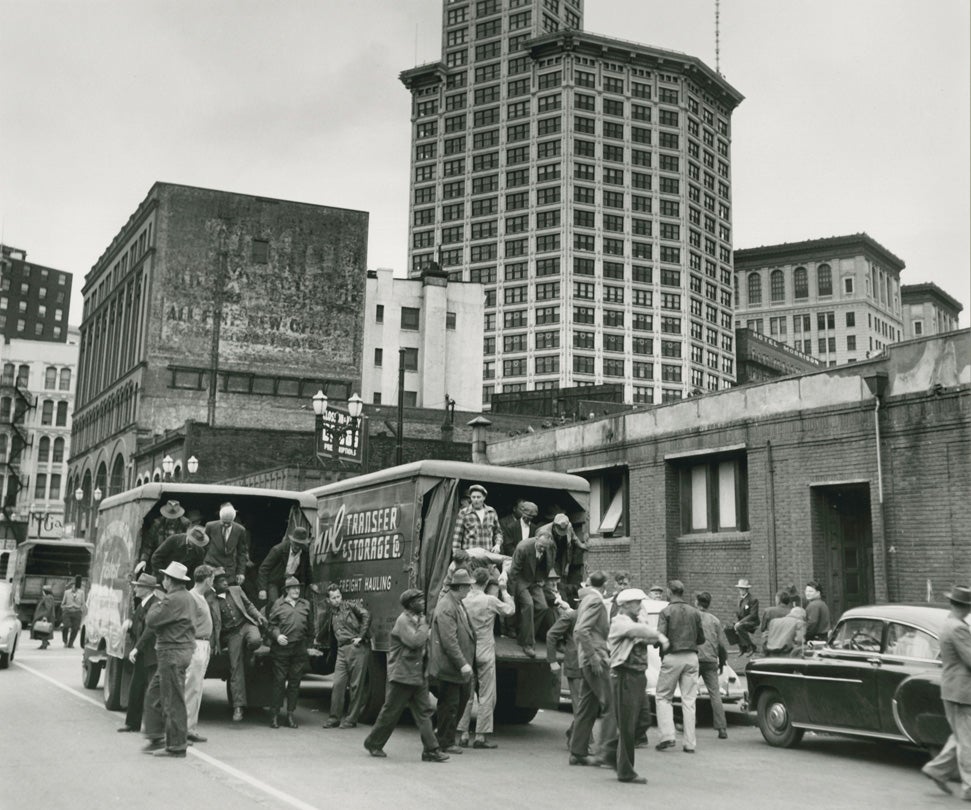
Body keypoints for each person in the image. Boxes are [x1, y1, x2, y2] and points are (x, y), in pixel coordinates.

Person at [364, 589, 449, 762]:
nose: (423, 602)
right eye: (419, 600)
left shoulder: (417, 619)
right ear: (410, 604)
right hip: (402, 675)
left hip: (417, 675)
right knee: (391, 712)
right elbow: (415, 641)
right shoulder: (403, 620)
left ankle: (431, 750)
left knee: (424, 712)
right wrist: (426, 625)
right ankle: (373, 743)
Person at [605, 588, 667, 784]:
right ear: (624, 605)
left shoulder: (637, 621)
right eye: (635, 603)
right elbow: (639, 633)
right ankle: (626, 770)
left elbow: (647, 637)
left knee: (643, 720)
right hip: (624, 676)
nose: (640, 606)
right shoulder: (619, 622)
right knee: (627, 725)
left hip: (638, 676)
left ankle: (611, 750)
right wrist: (659, 635)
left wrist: (649, 630)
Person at [142, 561, 196, 757]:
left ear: (170, 581)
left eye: (164, 577)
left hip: (171, 651)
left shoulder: (172, 599)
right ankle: (157, 735)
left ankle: (176, 745)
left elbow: (151, 620)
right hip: (179, 650)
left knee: (172, 700)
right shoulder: (186, 597)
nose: (163, 580)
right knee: (155, 693)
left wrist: (157, 602)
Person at [921, 585, 971, 799]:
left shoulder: (949, 624)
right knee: (968, 740)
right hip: (962, 691)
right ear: (966, 607)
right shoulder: (958, 628)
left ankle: (937, 769)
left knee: (961, 736)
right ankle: (969, 786)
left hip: (953, 689)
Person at [457, 568, 515, 748]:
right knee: (487, 693)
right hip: (485, 650)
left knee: (467, 693)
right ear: (487, 583)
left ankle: (464, 733)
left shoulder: (463, 601)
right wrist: (504, 591)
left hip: (467, 650)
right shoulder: (490, 600)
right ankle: (480, 736)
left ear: (472, 581)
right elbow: (510, 610)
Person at [429, 568, 475, 755]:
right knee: (451, 704)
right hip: (450, 667)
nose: (470, 589)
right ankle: (445, 741)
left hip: (455, 667)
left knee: (455, 702)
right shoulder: (447, 606)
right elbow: (449, 641)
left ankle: (437, 733)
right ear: (460, 587)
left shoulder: (456, 603)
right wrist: (463, 663)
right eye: (468, 586)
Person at [212, 567, 268, 722]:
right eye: (221, 580)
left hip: (245, 625)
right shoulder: (211, 599)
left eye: (225, 579)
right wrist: (211, 644)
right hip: (231, 634)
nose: (225, 582)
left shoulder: (236, 590)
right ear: (214, 584)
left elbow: (249, 605)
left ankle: (249, 653)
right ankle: (238, 707)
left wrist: (258, 616)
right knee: (235, 668)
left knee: (256, 640)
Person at [655, 579, 705, 754]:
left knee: (663, 696)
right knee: (689, 700)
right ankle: (690, 742)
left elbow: (659, 637)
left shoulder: (666, 611)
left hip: (672, 656)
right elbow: (701, 639)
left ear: (669, 592)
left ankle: (667, 736)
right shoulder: (694, 612)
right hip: (692, 656)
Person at [569, 571, 611, 767]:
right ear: (605, 585)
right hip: (594, 657)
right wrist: (593, 656)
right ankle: (607, 752)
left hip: (585, 658)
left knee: (587, 706)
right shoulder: (595, 601)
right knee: (609, 703)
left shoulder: (585, 600)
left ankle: (577, 752)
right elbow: (581, 630)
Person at [319, 584, 372, 729]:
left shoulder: (350, 606)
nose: (337, 600)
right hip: (342, 650)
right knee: (338, 684)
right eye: (333, 598)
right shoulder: (331, 613)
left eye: (338, 596)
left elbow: (366, 614)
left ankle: (351, 719)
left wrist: (360, 637)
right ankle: (334, 718)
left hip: (356, 647)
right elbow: (327, 630)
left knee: (356, 686)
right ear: (329, 600)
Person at [267, 576, 315, 729]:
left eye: (298, 587)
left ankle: (290, 715)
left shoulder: (305, 604)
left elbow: (311, 627)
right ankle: (274, 715)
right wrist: (277, 635)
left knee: (295, 683)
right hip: (282, 648)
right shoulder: (278, 604)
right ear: (286, 590)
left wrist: (309, 645)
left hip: (299, 648)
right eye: (293, 588)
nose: (296, 590)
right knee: (279, 682)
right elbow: (270, 625)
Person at [119, 574, 163, 733]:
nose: (135, 588)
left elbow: (149, 631)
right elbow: (138, 623)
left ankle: (154, 729)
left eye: (138, 586)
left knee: (153, 692)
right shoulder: (142, 604)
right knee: (136, 687)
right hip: (143, 654)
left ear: (147, 589)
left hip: (151, 654)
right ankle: (132, 723)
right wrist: (129, 622)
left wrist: (136, 648)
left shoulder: (156, 604)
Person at [508, 532, 557, 657]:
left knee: (543, 607)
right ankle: (527, 643)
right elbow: (514, 572)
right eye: (540, 546)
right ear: (536, 539)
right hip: (521, 579)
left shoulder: (550, 547)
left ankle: (525, 632)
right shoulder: (523, 547)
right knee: (529, 604)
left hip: (535, 579)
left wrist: (542, 579)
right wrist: (511, 594)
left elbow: (548, 564)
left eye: (544, 547)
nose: (542, 549)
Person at [185, 564, 216, 743]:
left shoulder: (201, 597)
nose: (213, 581)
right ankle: (183, 729)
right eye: (212, 578)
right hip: (195, 644)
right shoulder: (192, 597)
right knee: (190, 688)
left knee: (196, 689)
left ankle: (190, 728)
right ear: (207, 579)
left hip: (203, 644)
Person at [546, 592, 582, 747]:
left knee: (588, 705)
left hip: (590, 666)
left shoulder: (595, 616)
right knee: (580, 706)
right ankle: (583, 743)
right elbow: (551, 635)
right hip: (575, 665)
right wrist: (552, 660)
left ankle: (574, 733)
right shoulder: (572, 616)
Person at [695, 591, 730, 739]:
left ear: (697, 602)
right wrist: (722, 662)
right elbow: (721, 645)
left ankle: (688, 722)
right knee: (715, 694)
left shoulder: (693, 617)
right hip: (711, 659)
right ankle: (721, 728)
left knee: (689, 692)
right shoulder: (715, 620)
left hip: (695, 658)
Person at [537, 513, 587, 599]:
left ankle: (562, 599)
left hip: (561, 557)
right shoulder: (542, 531)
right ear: (554, 525)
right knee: (550, 582)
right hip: (547, 559)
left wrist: (581, 545)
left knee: (561, 581)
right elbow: (538, 551)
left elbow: (574, 537)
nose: (561, 534)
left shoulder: (569, 526)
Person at [258, 526, 312, 604]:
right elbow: (263, 569)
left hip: (291, 581)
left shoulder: (304, 552)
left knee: (295, 603)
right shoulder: (278, 550)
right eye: (295, 543)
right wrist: (262, 589)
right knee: (274, 603)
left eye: (300, 545)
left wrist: (311, 583)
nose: (297, 547)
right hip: (275, 580)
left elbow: (307, 568)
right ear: (291, 541)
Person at [136, 500, 190, 576]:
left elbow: (189, 544)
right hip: (160, 558)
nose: (171, 519)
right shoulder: (157, 525)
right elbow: (148, 544)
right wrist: (143, 560)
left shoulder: (185, 524)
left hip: (178, 560)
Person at [204, 503, 249, 584]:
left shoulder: (240, 530)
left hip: (229, 570)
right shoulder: (210, 526)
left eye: (228, 523)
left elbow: (241, 553)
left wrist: (241, 572)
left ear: (233, 519)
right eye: (223, 522)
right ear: (220, 517)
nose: (225, 525)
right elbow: (203, 546)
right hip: (211, 566)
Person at [451, 484, 502, 553]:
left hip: (487, 556)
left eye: (478, 497)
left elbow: (498, 532)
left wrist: (497, 545)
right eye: (473, 497)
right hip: (470, 557)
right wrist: (457, 554)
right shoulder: (464, 513)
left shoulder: (491, 512)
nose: (476, 500)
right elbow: (457, 537)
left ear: (484, 497)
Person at [733, 578, 760, 656]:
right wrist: (736, 622)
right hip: (742, 621)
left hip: (752, 622)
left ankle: (751, 647)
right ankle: (742, 648)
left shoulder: (753, 599)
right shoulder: (739, 598)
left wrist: (740, 622)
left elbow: (753, 615)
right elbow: (738, 612)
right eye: (740, 588)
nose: (741, 590)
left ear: (747, 589)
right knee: (728, 628)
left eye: (743, 589)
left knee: (739, 627)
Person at [60, 576, 85, 648]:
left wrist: (82, 611)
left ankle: (71, 643)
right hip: (67, 611)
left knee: (75, 628)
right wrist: (64, 609)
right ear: (71, 586)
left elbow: (83, 603)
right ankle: (65, 641)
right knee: (66, 626)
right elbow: (63, 603)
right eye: (72, 585)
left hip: (77, 612)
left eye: (75, 585)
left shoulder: (81, 593)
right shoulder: (66, 592)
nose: (74, 586)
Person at [31, 585, 57, 649]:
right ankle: (44, 643)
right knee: (43, 630)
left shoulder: (48, 598)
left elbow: (48, 608)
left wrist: (45, 617)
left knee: (44, 630)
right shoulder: (48, 597)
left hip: (45, 616)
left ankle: (44, 644)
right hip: (46, 616)